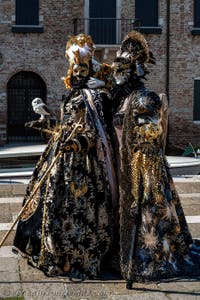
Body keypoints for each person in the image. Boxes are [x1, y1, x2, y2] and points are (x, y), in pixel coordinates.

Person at [12, 33, 117, 280]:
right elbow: (65, 124)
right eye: (75, 67)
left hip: (84, 162)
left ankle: (79, 257)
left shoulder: (95, 96)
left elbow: (96, 131)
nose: (79, 72)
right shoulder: (70, 94)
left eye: (83, 67)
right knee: (50, 202)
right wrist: (47, 125)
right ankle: (55, 252)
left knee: (81, 207)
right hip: (61, 156)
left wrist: (77, 144)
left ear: (89, 67)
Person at [111, 31, 200, 289]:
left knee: (146, 215)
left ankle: (143, 260)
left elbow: (152, 135)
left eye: (122, 70)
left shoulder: (145, 98)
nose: (117, 75)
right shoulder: (121, 98)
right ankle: (121, 254)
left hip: (143, 168)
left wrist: (141, 166)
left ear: (134, 70)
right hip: (122, 164)